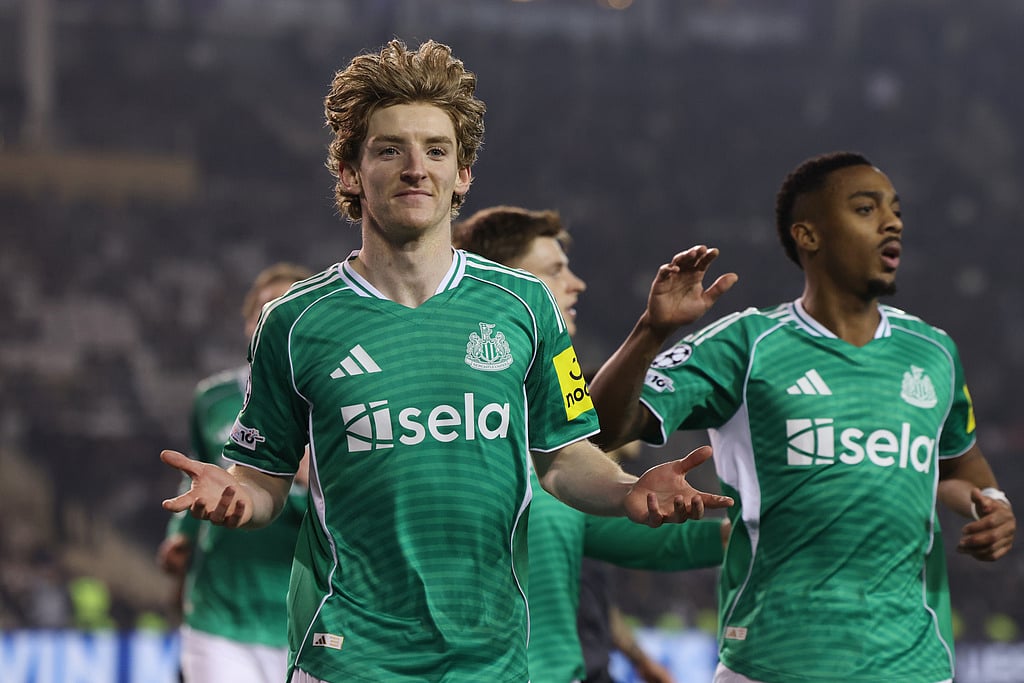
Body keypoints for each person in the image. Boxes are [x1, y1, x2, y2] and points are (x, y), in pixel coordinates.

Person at [159, 39, 732, 683]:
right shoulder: (294, 321)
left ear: (462, 176)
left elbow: (565, 459)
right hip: (347, 657)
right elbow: (265, 482)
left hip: (488, 660)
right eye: (388, 149)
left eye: (436, 150)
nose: (415, 167)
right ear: (350, 172)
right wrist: (238, 494)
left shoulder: (525, 305)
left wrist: (629, 491)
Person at [590, 151, 1016, 683]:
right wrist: (650, 333)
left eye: (896, 210)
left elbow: (957, 468)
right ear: (807, 236)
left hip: (914, 666)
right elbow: (601, 429)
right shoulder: (747, 345)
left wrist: (991, 505)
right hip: (772, 663)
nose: (892, 221)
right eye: (866, 208)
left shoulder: (933, 352)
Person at [453, 205, 729, 683]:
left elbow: (590, 527)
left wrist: (745, 533)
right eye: (555, 271)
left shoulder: (555, 397)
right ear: (503, 281)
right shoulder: (446, 413)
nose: (576, 283)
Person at [157, 262, 313, 683]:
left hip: (303, 615)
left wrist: (310, 476)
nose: (277, 317)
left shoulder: (341, 401)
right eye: (265, 309)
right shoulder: (214, 398)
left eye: (290, 307)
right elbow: (197, 473)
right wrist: (181, 538)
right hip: (220, 609)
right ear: (249, 324)